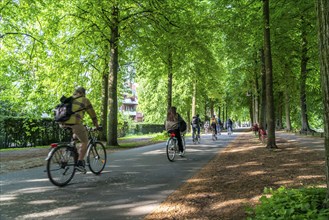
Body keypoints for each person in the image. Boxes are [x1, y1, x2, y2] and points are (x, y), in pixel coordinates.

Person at [62, 87, 99, 173]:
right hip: (74, 122)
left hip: (63, 122)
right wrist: (96, 125)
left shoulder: (70, 100)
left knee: (76, 134)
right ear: (83, 93)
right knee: (84, 141)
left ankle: (70, 152)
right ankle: (79, 163)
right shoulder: (84, 100)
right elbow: (92, 113)